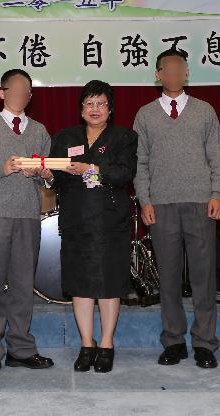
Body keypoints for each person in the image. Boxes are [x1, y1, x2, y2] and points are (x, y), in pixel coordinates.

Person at [133, 48, 220, 370]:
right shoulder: (145, 114)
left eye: (179, 68)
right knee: (169, 278)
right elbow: (140, 163)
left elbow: (218, 156)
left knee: (203, 277)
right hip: (161, 205)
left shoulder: (205, 111)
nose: (173, 73)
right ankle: (173, 341)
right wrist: (145, 200)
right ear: (158, 75)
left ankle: (204, 343)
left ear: (187, 73)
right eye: (167, 68)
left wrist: (217, 194)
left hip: (201, 203)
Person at [0, 68, 54, 377]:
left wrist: (42, 173)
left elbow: (49, 176)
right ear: (1, 93)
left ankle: (21, 348)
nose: (20, 94)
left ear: (30, 96)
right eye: (14, 88)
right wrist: (1, 168)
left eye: (26, 90)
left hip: (28, 215)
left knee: (22, 284)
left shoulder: (40, 130)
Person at [49, 80, 137, 373]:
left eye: (101, 103)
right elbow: (59, 182)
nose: (95, 109)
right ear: (81, 109)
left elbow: (125, 173)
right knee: (80, 285)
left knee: (109, 284)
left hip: (111, 222)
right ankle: (87, 344)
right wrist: (49, 175)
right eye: (89, 104)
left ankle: (107, 344)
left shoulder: (124, 137)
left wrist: (92, 169)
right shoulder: (64, 138)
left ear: (110, 109)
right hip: (76, 221)